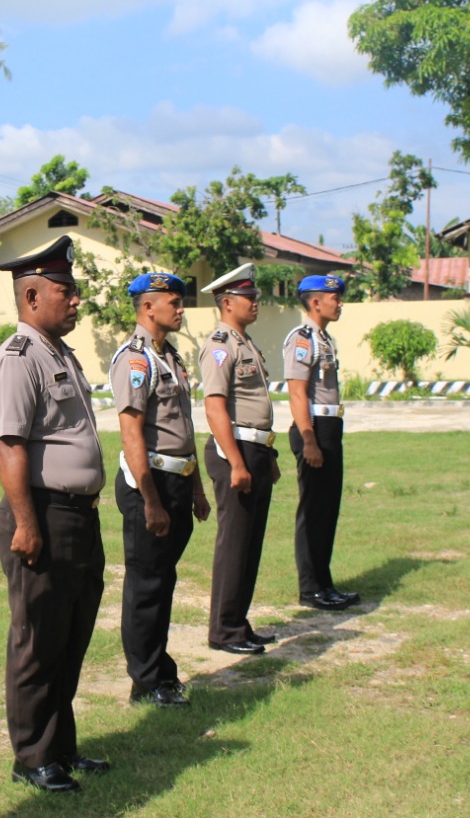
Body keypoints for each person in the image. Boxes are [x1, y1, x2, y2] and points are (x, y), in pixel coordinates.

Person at [0, 235, 109, 793]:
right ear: (32, 295)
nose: (77, 301)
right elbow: (9, 447)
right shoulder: (18, 359)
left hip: (78, 515)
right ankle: (32, 755)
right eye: (67, 290)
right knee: (38, 639)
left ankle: (62, 746)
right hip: (43, 513)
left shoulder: (61, 355)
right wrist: (28, 523)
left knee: (72, 634)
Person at [109, 272, 209, 707]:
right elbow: (132, 434)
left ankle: (160, 670)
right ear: (148, 306)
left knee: (164, 581)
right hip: (150, 483)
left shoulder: (170, 356)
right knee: (146, 585)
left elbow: (184, 429)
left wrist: (198, 489)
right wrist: (151, 500)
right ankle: (145, 681)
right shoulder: (133, 360)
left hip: (178, 480)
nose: (181, 309)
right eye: (174, 301)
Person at [198, 263, 282, 654]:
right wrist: (236, 462)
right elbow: (215, 408)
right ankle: (224, 630)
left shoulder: (245, 342)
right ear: (227, 302)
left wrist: (269, 454)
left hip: (256, 449)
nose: (256, 303)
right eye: (250, 298)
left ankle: (238, 622)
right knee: (235, 544)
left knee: (250, 544)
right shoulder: (220, 345)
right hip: (236, 450)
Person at [283, 274, 361, 611]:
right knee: (313, 511)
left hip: (330, 425)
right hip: (313, 428)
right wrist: (309, 439)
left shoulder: (323, 338)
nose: (340, 303)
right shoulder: (302, 339)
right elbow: (297, 393)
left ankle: (324, 581)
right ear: (316, 302)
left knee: (327, 510)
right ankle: (311, 587)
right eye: (335, 297)